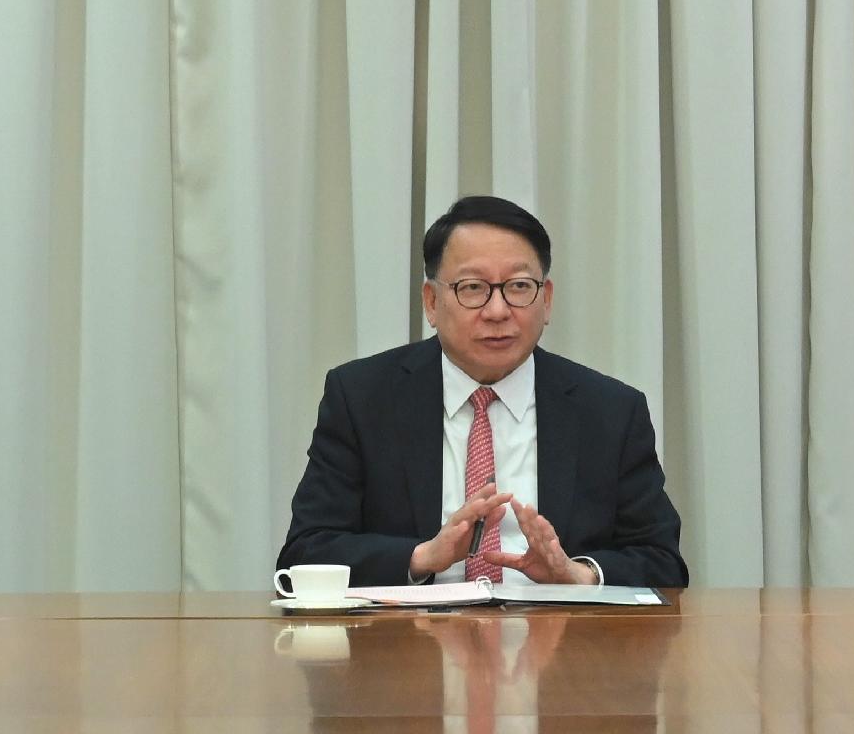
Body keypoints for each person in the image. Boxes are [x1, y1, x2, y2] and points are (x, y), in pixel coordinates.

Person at [278, 195, 685, 589]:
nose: (497, 310)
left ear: (546, 301)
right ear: (432, 302)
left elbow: (663, 562)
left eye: (519, 286)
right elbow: (305, 553)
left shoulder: (610, 411)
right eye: (473, 288)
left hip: (561, 646)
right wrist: (421, 556)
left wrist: (576, 575)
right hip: (409, 646)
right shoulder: (362, 399)